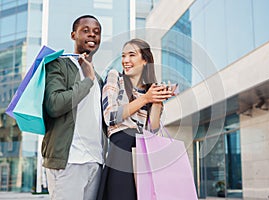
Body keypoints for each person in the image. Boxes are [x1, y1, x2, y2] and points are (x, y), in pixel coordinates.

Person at [98, 39, 176, 200]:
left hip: (144, 153)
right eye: (123, 56)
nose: (126, 60)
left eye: (132, 55)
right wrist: (145, 99)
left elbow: (152, 130)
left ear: (145, 60)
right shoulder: (115, 77)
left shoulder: (149, 91)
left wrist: (157, 101)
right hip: (121, 151)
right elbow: (110, 116)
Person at [42, 15, 107, 200]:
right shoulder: (59, 65)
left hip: (95, 161)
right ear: (73, 35)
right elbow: (54, 105)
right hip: (69, 161)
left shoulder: (99, 79)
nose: (92, 35)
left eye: (96, 32)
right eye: (85, 30)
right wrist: (87, 81)